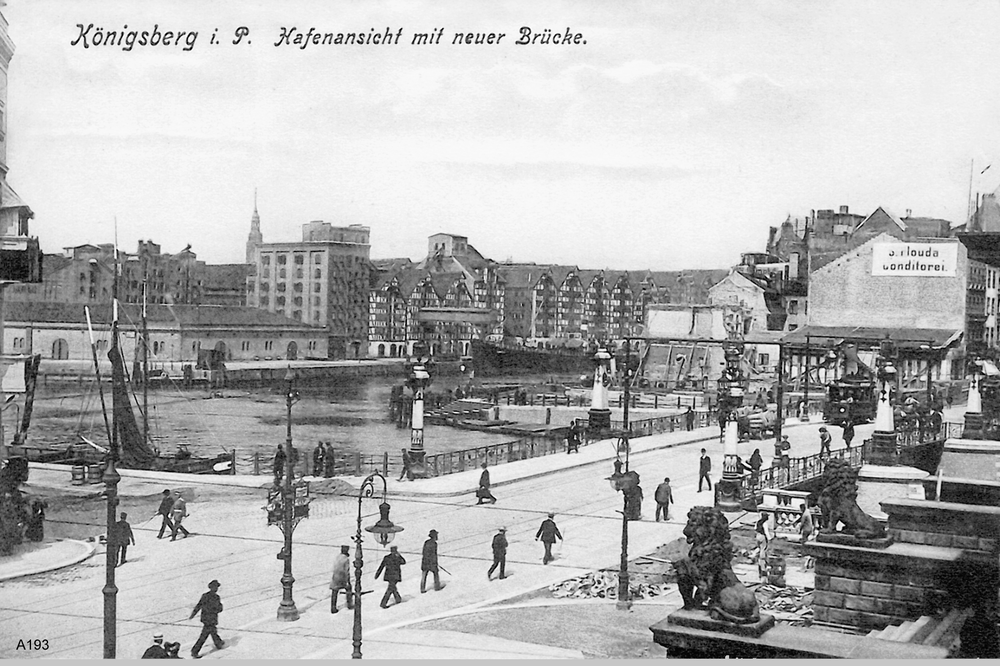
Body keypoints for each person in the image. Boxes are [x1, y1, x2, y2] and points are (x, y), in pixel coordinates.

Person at [189, 580, 225, 658]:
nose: (217, 588)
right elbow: (219, 609)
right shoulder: (216, 597)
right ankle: (195, 651)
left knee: (213, 632)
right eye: (216, 587)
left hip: (205, 619)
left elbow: (199, 605)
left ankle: (219, 643)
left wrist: (193, 614)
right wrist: (220, 606)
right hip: (211, 619)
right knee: (204, 635)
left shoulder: (204, 595)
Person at [330, 544, 353, 613]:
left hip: (335, 575)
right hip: (342, 576)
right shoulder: (346, 559)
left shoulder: (338, 557)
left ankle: (333, 607)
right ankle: (349, 604)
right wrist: (348, 580)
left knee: (334, 591)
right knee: (348, 588)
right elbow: (346, 570)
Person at [755, 512, 772, 579]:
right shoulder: (765, 523)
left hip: (758, 535)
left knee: (759, 548)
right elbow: (766, 532)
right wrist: (769, 539)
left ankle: (759, 559)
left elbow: (755, 529)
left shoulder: (758, 522)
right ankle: (762, 560)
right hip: (762, 536)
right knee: (763, 549)